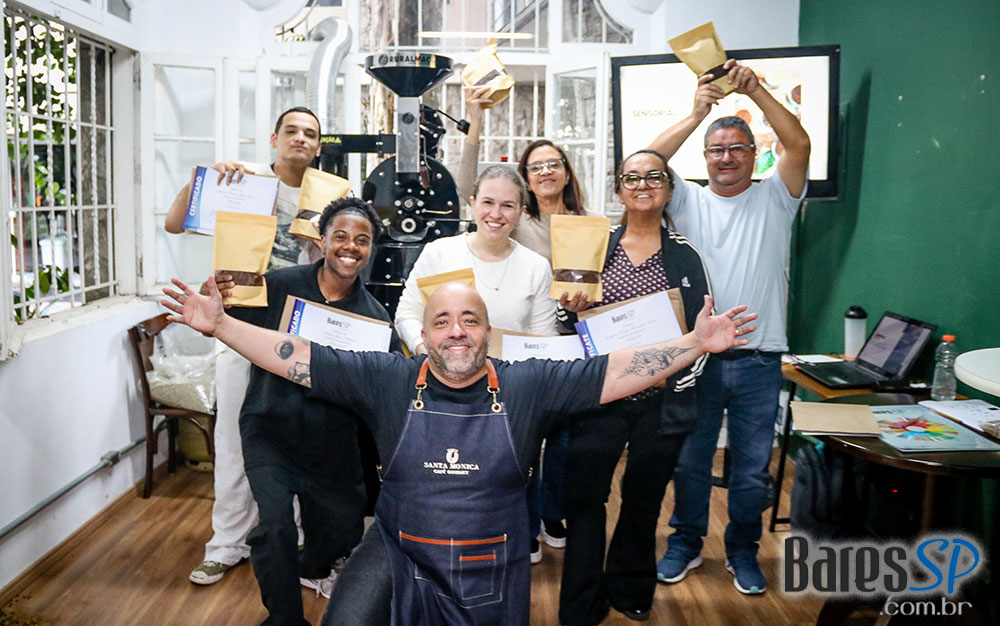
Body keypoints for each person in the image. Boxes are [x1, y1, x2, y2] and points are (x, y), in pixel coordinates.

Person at [160, 276, 756, 626]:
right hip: (396, 546)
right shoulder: (388, 379)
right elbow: (298, 356)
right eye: (442, 322)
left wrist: (692, 343)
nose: (457, 332)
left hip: (489, 560)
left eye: (470, 320)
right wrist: (221, 327)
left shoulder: (528, 384)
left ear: (488, 333)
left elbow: (618, 369)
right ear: (424, 336)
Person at [649, 59, 811, 595]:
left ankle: (743, 550)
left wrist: (756, 92)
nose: (725, 157)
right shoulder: (688, 199)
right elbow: (649, 161)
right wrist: (699, 112)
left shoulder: (776, 198)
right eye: (716, 150)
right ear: (705, 157)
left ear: (752, 154)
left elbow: (799, 144)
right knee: (690, 463)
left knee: (751, 472)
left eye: (736, 148)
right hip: (698, 360)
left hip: (760, 361)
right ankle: (686, 543)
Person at [163, 107, 324, 586]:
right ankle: (226, 545)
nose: (300, 138)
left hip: (296, 333)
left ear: (319, 146)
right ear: (274, 138)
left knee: (298, 439)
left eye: (310, 133)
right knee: (234, 440)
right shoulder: (243, 179)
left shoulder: (328, 194)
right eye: (291, 130)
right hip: (235, 325)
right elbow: (174, 223)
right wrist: (203, 180)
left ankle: (294, 539)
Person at [555, 149, 712, 625]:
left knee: (644, 498)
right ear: (619, 189)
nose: (643, 185)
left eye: (654, 177)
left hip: (660, 400)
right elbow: (564, 324)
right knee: (585, 499)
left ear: (669, 189)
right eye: (632, 178)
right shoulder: (595, 245)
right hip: (599, 394)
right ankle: (581, 601)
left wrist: (674, 376)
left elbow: (701, 333)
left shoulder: (685, 255)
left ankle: (630, 589)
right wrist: (570, 309)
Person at [227, 197, 400, 625]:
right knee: (275, 529)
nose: (350, 246)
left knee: (338, 537)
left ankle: (313, 564)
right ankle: (285, 618)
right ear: (321, 240)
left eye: (362, 240)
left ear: (370, 248)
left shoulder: (375, 321)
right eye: (340, 236)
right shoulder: (278, 285)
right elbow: (226, 315)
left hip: (331, 445)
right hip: (270, 429)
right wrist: (221, 294)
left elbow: (384, 388)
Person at [456, 86, 601, 559]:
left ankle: (551, 513)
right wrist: (475, 117)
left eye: (552, 164)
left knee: (563, 439)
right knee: (523, 436)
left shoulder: (591, 223)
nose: (545, 172)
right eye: (535, 167)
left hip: (575, 339)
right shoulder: (518, 221)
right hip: (525, 342)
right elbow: (467, 186)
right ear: (524, 184)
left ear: (566, 172)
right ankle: (526, 520)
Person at [393, 165, 557, 355]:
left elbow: (544, 338)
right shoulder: (439, 253)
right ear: (473, 204)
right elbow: (407, 314)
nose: (496, 214)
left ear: (520, 213)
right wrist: (426, 353)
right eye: (488, 202)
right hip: (444, 368)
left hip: (512, 370)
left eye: (507, 206)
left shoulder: (536, 267)